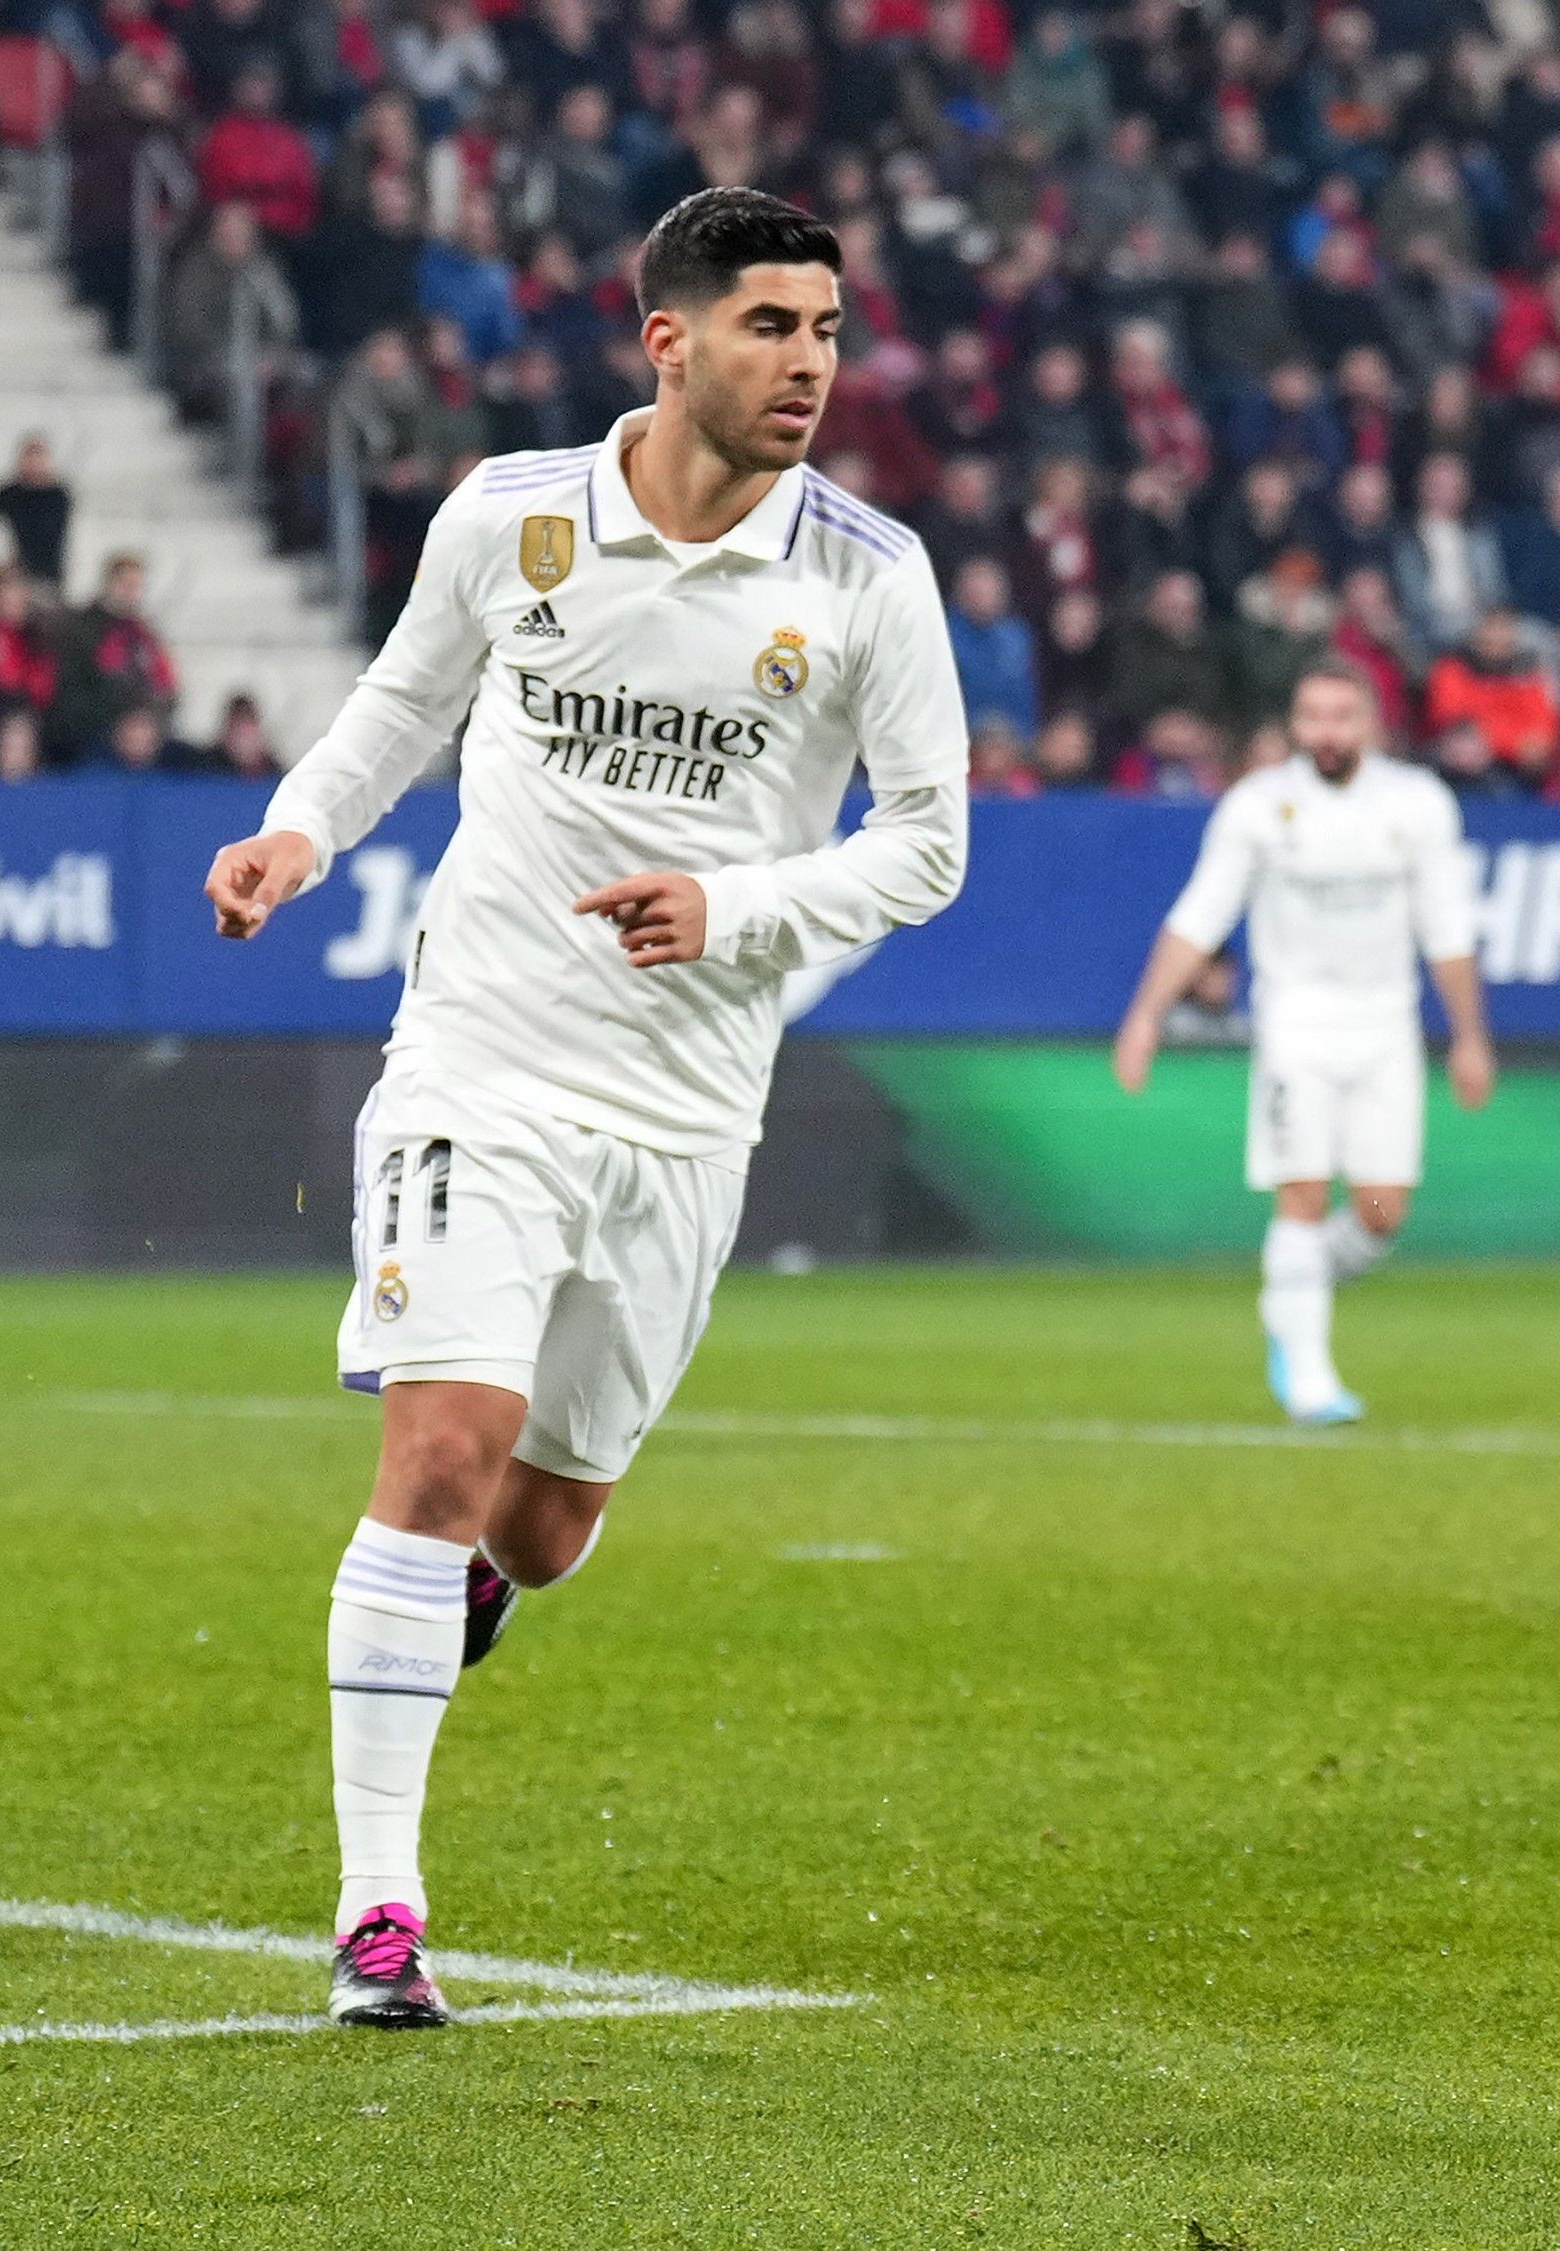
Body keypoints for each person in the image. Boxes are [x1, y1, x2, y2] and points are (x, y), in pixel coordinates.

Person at [199, 189, 971, 2030]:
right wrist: (300, 833)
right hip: (484, 1057)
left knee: (537, 1530)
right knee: (441, 1456)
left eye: (829, 330)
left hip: (692, 1110)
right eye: (773, 326)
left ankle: (463, 1604)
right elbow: (402, 706)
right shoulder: (513, 514)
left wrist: (741, 906)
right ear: (671, 341)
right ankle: (378, 1914)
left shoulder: (870, 576)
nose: (810, 363)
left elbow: (932, 847)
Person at [1110, 660, 1494, 1423]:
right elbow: (1201, 913)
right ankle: (1310, 1377)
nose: (1326, 730)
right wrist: (1146, 1014)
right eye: (1312, 715)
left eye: (1342, 715)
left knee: (1383, 1210)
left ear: (1371, 723)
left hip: (1386, 1023)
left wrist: (1471, 1037)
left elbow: (1446, 927)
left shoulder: (1416, 804)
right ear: (1294, 722)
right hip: (1296, 1024)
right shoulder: (1260, 805)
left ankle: (1291, 1295)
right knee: (1304, 1193)